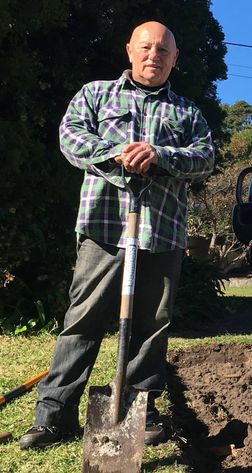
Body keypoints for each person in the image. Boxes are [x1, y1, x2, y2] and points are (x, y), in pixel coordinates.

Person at [19, 21, 214, 449]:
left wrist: (159, 154)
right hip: (103, 228)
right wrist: (116, 155)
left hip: (161, 233)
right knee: (83, 320)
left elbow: (205, 157)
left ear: (175, 58)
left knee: (152, 324)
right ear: (129, 50)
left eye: (164, 50)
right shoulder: (95, 95)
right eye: (145, 47)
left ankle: (138, 410)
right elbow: (70, 137)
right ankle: (54, 416)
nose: (154, 56)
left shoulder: (187, 113)